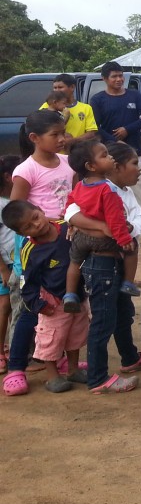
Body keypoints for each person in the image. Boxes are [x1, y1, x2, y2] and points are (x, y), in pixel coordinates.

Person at [75, 139, 141, 393]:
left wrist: (129, 228)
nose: (139, 169)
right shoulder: (99, 189)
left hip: (117, 262)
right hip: (102, 263)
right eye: (134, 164)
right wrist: (103, 227)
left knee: (123, 313)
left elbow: (138, 221)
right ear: (116, 167)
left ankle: (130, 358)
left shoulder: (124, 191)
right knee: (103, 320)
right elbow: (70, 212)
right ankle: (98, 379)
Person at [4, 111, 75, 396]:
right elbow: (15, 213)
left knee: (61, 303)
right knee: (30, 306)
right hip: (36, 248)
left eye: (63, 133)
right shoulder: (26, 170)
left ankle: (60, 360)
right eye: (55, 135)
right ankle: (16, 368)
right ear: (34, 138)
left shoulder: (69, 163)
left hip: (64, 242)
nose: (62, 139)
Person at [1, 202, 90, 393]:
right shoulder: (29, 249)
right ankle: (52, 377)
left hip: (77, 295)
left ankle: (73, 369)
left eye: (35, 217)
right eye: (28, 226)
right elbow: (27, 281)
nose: (36, 225)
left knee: (76, 334)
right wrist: (38, 304)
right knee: (51, 339)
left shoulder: (67, 227)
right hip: (52, 301)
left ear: (40, 211)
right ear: (21, 232)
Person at [62, 141, 140, 313]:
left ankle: (70, 294)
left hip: (81, 237)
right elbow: (115, 219)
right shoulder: (107, 190)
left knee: (74, 262)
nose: (110, 157)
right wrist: (124, 239)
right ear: (91, 165)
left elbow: (70, 203)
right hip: (103, 240)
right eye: (104, 155)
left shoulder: (81, 185)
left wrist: (71, 223)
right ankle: (128, 282)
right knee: (132, 248)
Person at [89, 61, 141, 230]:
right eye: (114, 76)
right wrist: (113, 140)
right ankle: (114, 221)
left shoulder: (133, 95)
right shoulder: (98, 100)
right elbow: (96, 126)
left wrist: (128, 129)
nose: (119, 79)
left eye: (121, 76)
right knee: (111, 186)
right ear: (105, 79)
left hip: (134, 149)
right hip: (109, 152)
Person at [43, 73, 99, 150]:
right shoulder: (47, 106)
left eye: (60, 87)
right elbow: (42, 130)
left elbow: (91, 133)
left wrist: (72, 141)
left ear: (72, 87)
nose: (57, 91)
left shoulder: (86, 108)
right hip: (55, 154)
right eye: (55, 88)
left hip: (77, 154)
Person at [0, 155, 19, 377]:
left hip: (18, 263)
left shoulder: (16, 200)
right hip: (6, 264)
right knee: (4, 306)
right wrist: (3, 269)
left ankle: (16, 350)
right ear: (8, 176)